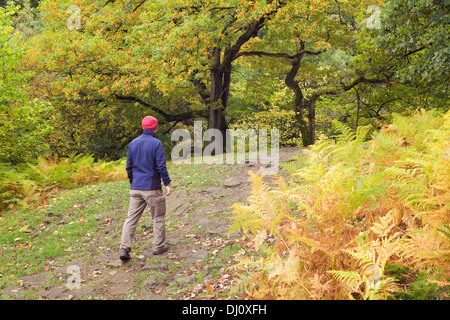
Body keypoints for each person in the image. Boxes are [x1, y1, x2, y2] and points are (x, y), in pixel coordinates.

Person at [119, 116, 173, 261]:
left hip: (136, 187)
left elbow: (128, 167)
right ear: (155, 127)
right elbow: (161, 166)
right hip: (152, 188)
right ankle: (158, 246)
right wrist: (167, 184)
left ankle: (124, 248)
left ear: (143, 127)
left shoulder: (133, 143)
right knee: (158, 217)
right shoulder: (156, 144)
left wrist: (133, 182)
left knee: (131, 219)